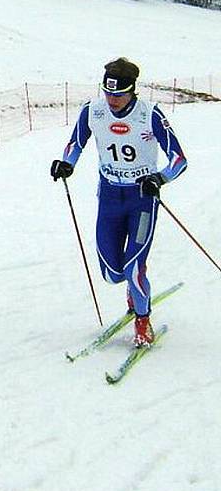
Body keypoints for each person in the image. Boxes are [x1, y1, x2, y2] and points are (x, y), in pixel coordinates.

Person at [50, 57, 187, 347]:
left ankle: (142, 320)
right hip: (110, 197)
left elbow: (179, 159)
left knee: (133, 268)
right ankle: (131, 288)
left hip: (141, 200)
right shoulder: (93, 111)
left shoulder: (150, 114)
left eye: (119, 94)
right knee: (112, 273)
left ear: (133, 90)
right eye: (108, 93)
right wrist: (66, 163)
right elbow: (76, 143)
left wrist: (159, 179)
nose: (112, 100)